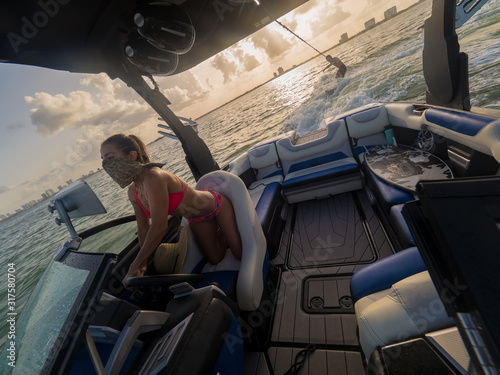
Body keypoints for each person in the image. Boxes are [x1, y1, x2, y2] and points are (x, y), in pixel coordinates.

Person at [100, 134, 242, 284]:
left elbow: (160, 226)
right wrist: (143, 262)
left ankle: (230, 223)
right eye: (103, 160)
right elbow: (143, 228)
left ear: (131, 156)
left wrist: (136, 264)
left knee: (239, 254)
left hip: (217, 206)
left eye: (110, 158)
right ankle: (223, 230)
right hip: (195, 218)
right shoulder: (133, 192)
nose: (106, 165)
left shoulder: (154, 177)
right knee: (215, 258)